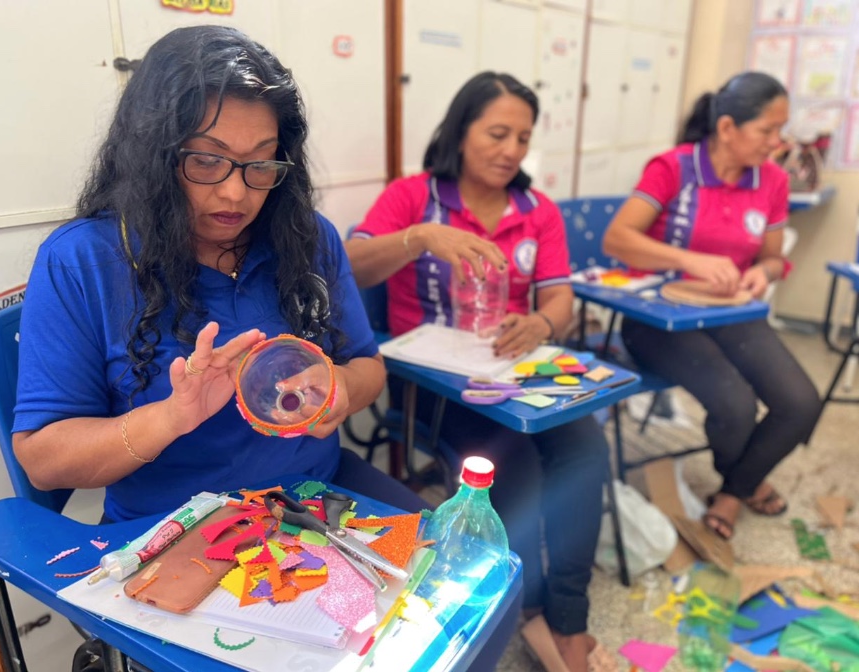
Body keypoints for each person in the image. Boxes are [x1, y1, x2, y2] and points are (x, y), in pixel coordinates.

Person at [12, 25, 427, 523]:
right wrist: (170, 418)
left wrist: (338, 386)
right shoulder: (84, 260)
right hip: (171, 527)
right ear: (153, 156)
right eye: (207, 161)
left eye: (261, 163)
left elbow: (368, 367)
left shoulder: (306, 237)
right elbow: (44, 462)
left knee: (467, 561)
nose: (236, 193)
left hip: (314, 500)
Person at [346, 72, 613, 672]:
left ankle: (568, 618)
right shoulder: (415, 198)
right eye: (497, 134)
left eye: (523, 137)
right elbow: (351, 266)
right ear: (460, 131)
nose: (512, 150)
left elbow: (560, 300)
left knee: (585, 450)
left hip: (511, 375)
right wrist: (418, 238)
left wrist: (541, 324)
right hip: (433, 386)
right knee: (513, 468)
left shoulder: (537, 212)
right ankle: (526, 605)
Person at [602, 71, 822, 541]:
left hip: (728, 314)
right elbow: (617, 239)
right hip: (656, 321)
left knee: (800, 402)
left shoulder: (772, 180)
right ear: (726, 128)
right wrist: (688, 260)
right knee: (735, 404)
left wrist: (763, 273)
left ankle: (734, 488)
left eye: (780, 130)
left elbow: (772, 258)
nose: (777, 142)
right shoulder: (673, 168)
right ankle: (742, 487)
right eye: (767, 130)